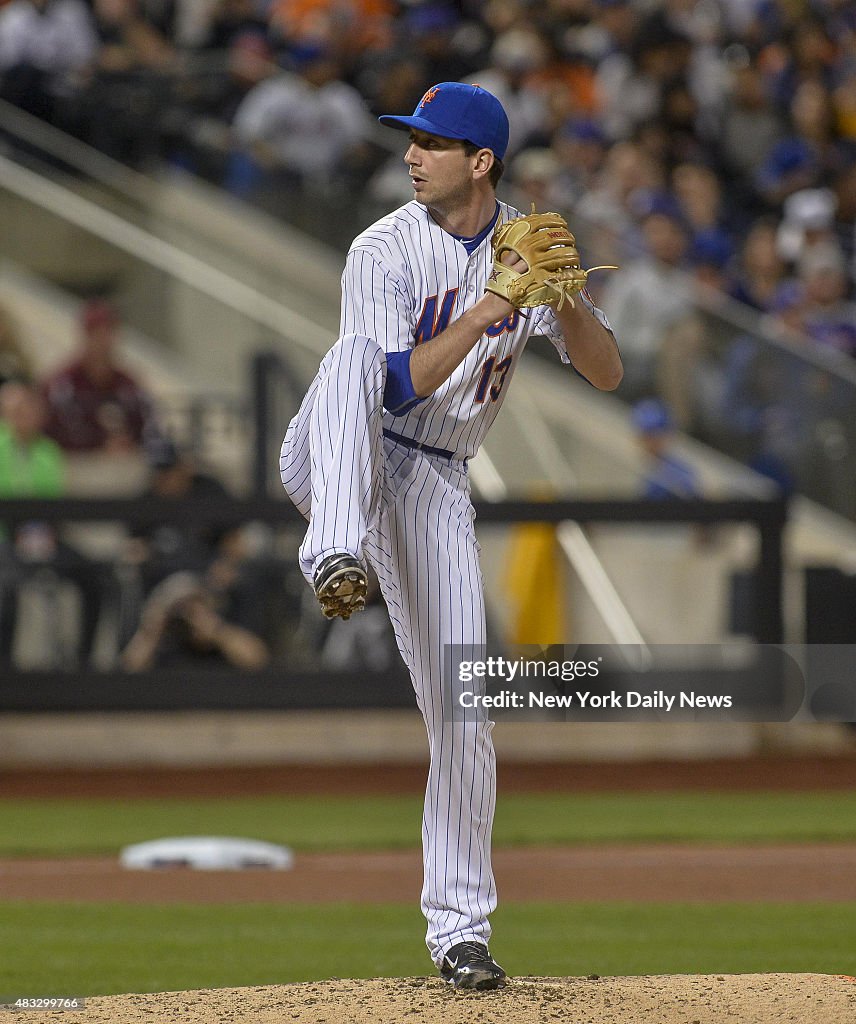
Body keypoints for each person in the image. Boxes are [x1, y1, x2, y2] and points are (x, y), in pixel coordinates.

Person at [279, 82, 622, 989]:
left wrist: (565, 301)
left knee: (464, 708)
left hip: (435, 480)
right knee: (352, 356)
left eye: (430, 142)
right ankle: (334, 549)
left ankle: (461, 934)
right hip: (343, 449)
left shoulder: (523, 245)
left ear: (481, 162)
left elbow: (608, 374)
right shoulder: (382, 246)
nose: (410, 155)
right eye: (412, 139)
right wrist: (487, 310)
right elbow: (393, 387)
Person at [41, 299, 156, 454]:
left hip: (123, 462)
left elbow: (147, 427)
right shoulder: (61, 384)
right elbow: (48, 434)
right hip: (75, 462)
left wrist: (130, 444)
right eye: (96, 334)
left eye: (109, 333)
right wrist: (97, 447)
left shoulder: (128, 385)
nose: (103, 341)